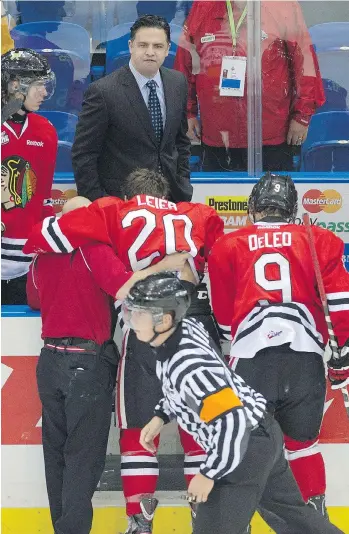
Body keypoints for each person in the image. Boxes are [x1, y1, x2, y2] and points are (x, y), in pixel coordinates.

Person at [23, 168, 224, 533]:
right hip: (196, 329)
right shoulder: (197, 215)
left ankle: (139, 517)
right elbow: (223, 265)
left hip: (143, 329)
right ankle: (205, 514)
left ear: (128, 195)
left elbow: (44, 237)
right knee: (202, 428)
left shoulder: (112, 212)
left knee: (136, 430)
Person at [122, 272, 344, 534]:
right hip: (262, 433)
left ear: (164, 319)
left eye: (139, 314)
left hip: (244, 446)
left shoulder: (189, 367)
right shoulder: (183, 332)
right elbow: (193, 394)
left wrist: (208, 473)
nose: (131, 320)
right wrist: (161, 414)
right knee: (295, 519)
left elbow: (231, 421)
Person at [208, 173, 349, 526]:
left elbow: (224, 317)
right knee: (302, 446)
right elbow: (341, 307)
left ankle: (238, 524)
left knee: (245, 449)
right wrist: (342, 358)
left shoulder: (227, 245)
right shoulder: (322, 240)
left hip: (252, 360)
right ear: (293, 208)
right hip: (304, 361)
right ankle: (313, 522)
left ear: (253, 209)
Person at [174, 0, 325, 172]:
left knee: (271, 197)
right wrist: (188, 113)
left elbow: (304, 63)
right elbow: (185, 63)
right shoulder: (203, 6)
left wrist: (302, 116)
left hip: (271, 134)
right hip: (217, 133)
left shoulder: (283, 5)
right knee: (221, 198)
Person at [71, 14, 192, 203]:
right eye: (143, 45)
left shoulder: (178, 82)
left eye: (158, 46)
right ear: (130, 46)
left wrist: (183, 183)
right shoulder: (103, 91)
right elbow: (84, 154)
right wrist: (100, 203)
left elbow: (181, 142)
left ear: (168, 49)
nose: (150, 52)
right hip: (121, 202)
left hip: (170, 198)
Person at [1, 48, 57, 304]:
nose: (44, 93)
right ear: (15, 85)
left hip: (28, 259)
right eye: (37, 85)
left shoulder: (46, 131)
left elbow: (44, 197)